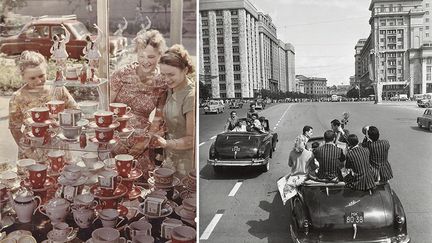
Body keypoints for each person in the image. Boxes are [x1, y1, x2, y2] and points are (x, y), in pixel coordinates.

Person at [110, 29, 168, 177]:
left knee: (139, 176)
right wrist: (115, 139)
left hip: (141, 139)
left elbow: (158, 118)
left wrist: (144, 142)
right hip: (114, 133)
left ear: (160, 56)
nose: (145, 61)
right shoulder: (122, 74)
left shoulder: (162, 82)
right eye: (141, 55)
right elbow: (104, 108)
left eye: (151, 56)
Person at [9, 51, 77, 160]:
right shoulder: (17, 97)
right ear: (23, 77)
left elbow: (75, 110)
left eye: (41, 76)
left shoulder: (58, 89)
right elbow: (14, 129)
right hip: (32, 149)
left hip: (58, 146)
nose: (39, 81)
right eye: (32, 78)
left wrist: (62, 124)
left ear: (46, 71)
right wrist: (30, 152)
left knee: (61, 175)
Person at [153, 44, 195, 177]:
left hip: (187, 160)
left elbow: (191, 139)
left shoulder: (191, 96)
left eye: (171, 74)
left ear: (185, 70)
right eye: (163, 75)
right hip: (170, 156)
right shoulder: (171, 89)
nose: (166, 79)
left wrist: (166, 143)